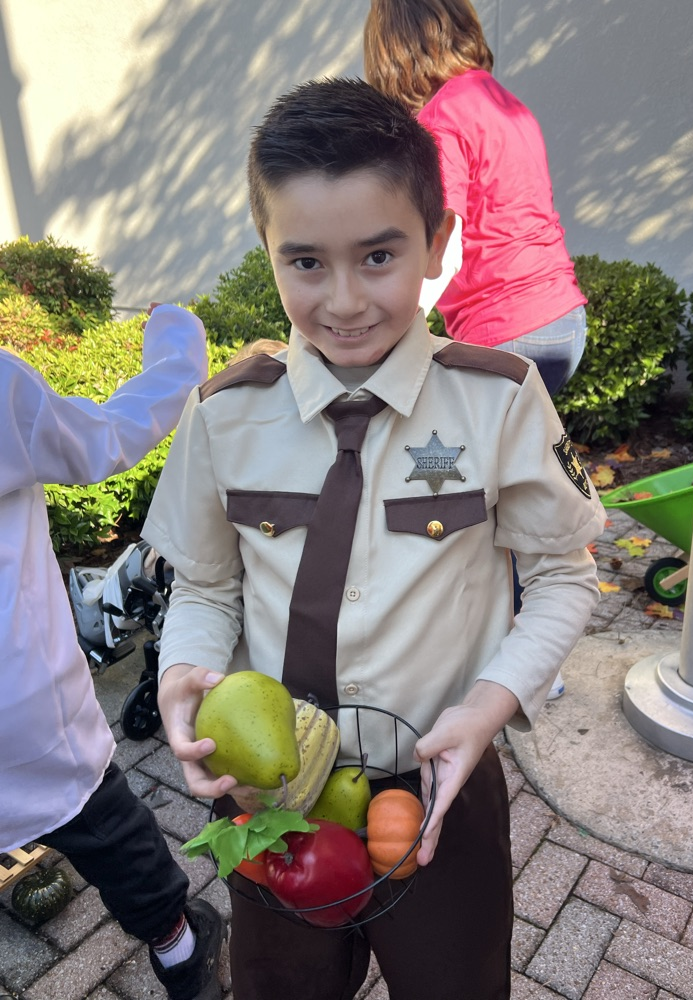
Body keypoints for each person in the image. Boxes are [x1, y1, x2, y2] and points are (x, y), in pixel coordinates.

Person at [142, 78, 605, 1000]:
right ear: (268, 251)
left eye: (380, 255)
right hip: (275, 801)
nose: (344, 299)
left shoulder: (499, 399)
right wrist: (181, 674)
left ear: (437, 244)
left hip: (440, 785)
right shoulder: (224, 417)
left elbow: (562, 574)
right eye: (305, 261)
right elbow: (203, 587)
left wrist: (488, 709)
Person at [0, 304, 225, 1000]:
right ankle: (179, 950)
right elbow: (108, 438)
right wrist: (178, 345)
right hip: (22, 707)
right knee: (103, 824)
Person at [364, 0, 588, 398]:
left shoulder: (442, 117)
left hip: (506, 331)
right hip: (563, 319)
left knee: (450, 453)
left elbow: (445, 248)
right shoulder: (503, 101)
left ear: (394, 51)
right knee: (523, 450)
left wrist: (392, 335)